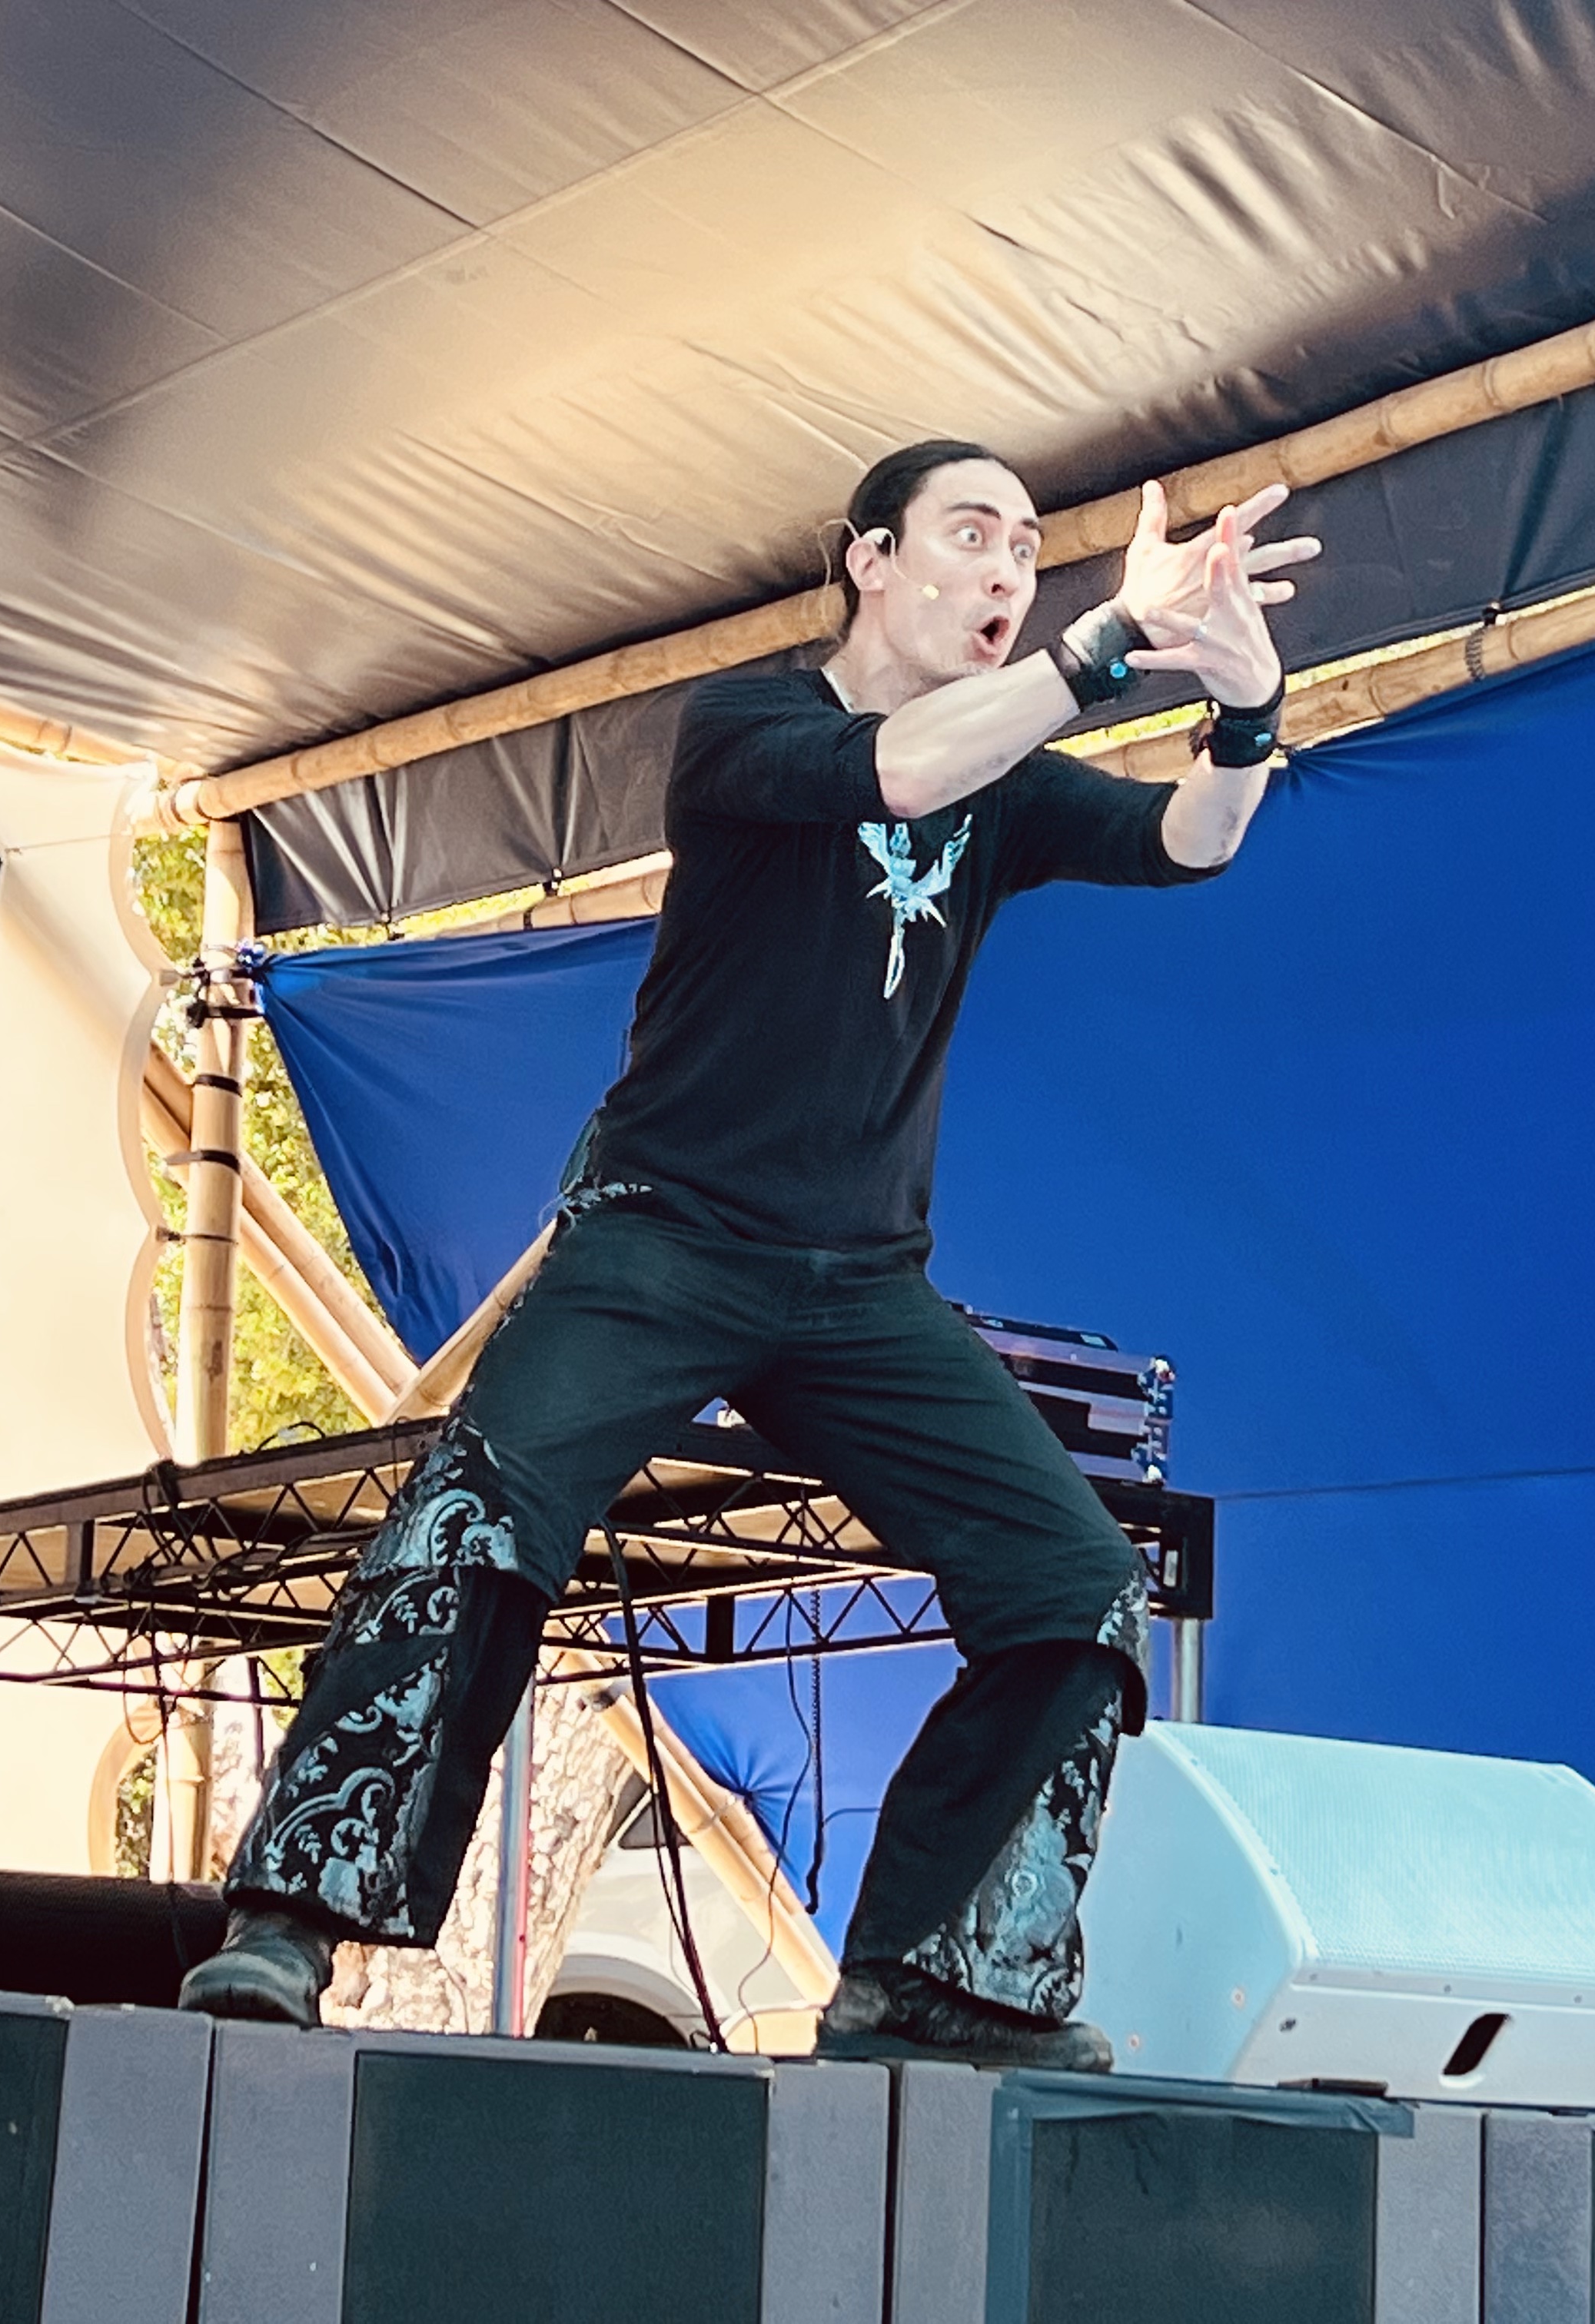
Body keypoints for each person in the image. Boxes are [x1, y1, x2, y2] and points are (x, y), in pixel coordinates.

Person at [178, 440, 1314, 2067]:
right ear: (869, 559)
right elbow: (901, 774)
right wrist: (1111, 636)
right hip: (663, 1240)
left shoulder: (1008, 776)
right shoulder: (747, 728)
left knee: (1076, 1591)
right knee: (477, 1519)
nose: (1008, 572)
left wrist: (1249, 708)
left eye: (1028, 550)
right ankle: (291, 1921)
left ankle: (929, 1981)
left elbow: (1192, 844)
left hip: (860, 1289)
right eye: (973, 536)